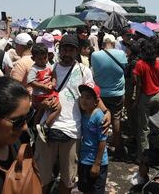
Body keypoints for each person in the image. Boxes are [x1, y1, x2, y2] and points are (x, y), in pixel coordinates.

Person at [34, 35, 111, 194]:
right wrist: (41, 104)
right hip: (46, 130)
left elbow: (94, 96)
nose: (67, 53)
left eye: (71, 50)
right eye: (64, 49)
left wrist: (106, 111)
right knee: (41, 178)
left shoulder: (84, 71)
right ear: (59, 50)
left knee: (68, 180)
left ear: (76, 52)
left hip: (72, 131)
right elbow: (35, 96)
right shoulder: (50, 69)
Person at [130, 39, 159, 186]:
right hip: (158, 95)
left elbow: (138, 84)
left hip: (145, 96)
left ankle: (143, 156)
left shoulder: (139, 64)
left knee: (144, 128)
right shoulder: (158, 63)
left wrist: (136, 101)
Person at [90, 33, 127, 156]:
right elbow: (124, 69)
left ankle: (101, 146)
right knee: (116, 118)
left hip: (101, 93)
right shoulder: (121, 54)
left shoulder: (95, 55)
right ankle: (117, 146)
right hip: (117, 92)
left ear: (103, 43)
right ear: (114, 43)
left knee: (102, 119)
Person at [77, 83, 108, 194]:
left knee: (96, 190)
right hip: (84, 160)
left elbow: (102, 140)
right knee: (85, 189)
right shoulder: (83, 113)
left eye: (88, 98)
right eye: (82, 97)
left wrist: (97, 164)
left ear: (96, 102)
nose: (84, 100)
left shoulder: (98, 116)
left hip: (97, 162)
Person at [29, 44, 60, 142]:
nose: (43, 60)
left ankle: (35, 128)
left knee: (42, 111)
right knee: (57, 107)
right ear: (33, 58)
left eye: (45, 57)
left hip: (47, 92)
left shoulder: (48, 65)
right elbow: (30, 82)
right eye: (39, 59)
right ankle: (44, 126)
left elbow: (53, 73)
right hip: (40, 95)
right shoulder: (34, 69)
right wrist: (43, 86)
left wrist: (53, 82)